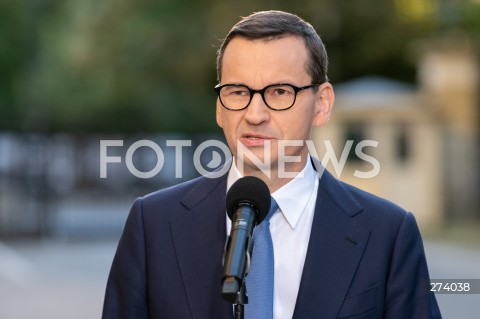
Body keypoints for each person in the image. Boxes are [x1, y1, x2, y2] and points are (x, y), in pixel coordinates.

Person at [102, 10, 441, 319]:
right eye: (237, 92)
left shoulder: (387, 233)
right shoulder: (154, 224)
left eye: (279, 92)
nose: (254, 114)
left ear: (321, 104)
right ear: (219, 107)